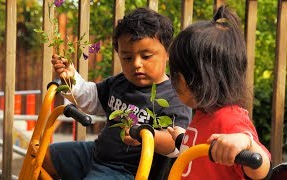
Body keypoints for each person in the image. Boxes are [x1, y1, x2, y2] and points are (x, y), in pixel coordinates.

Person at [43, 7, 192, 180]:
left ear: (167, 53)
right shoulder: (120, 82)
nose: (136, 64)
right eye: (127, 58)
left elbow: (175, 143)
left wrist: (145, 134)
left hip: (128, 171)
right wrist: (71, 79)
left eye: (146, 56)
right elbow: (91, 98)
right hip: (96, 154)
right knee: (43, 157)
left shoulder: (174, 96)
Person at [167, 5, 271, 180]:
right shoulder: (204, 113)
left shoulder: (229, 120)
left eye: (174, 75)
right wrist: (183, 139)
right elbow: (203, 155)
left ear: (186, 79)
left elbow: (262, 167)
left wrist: (246, 143)